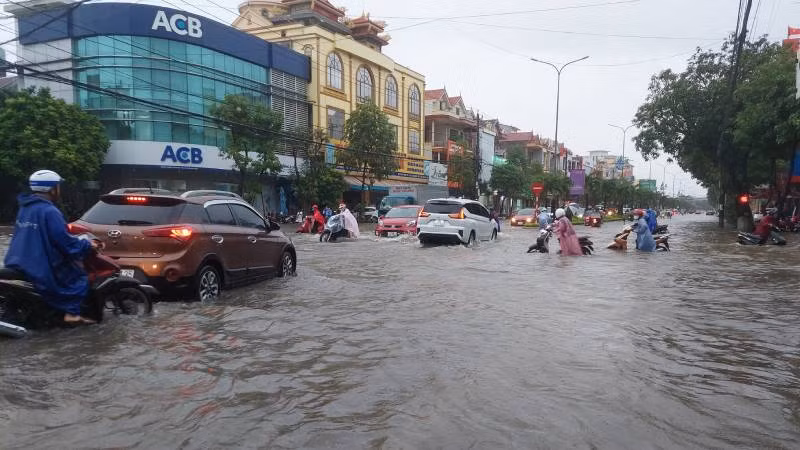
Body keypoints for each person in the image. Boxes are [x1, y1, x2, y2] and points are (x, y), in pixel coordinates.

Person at [3, 170, 99, 324]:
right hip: (38, 265)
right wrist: (87, 244)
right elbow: (66, 243)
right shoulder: (50, 211)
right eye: (58, 186)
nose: (59, 190)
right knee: (80, 277)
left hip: (17, 260)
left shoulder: (25, 207)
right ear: (52, 189)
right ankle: (72, 314)